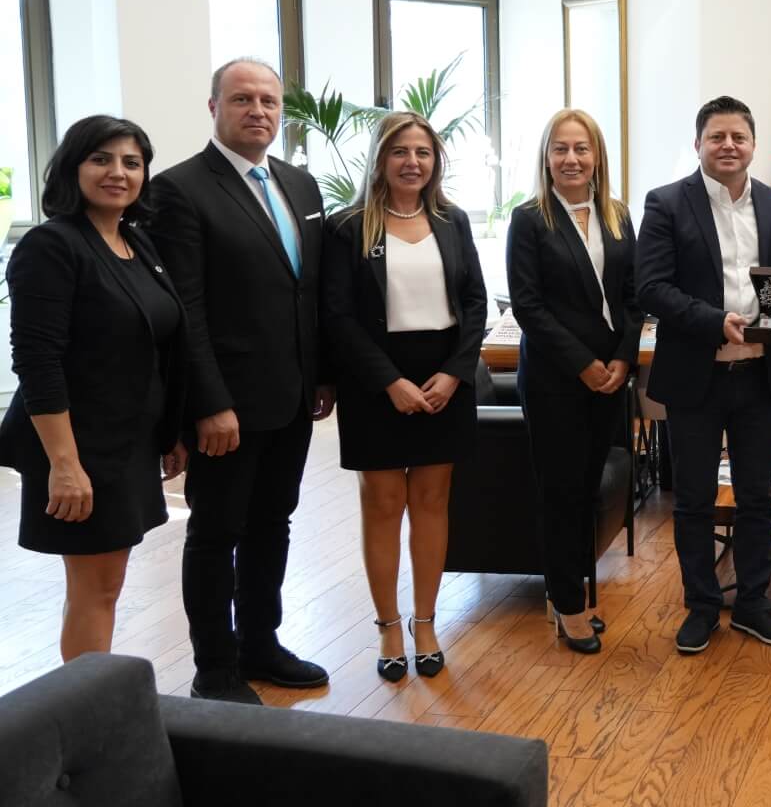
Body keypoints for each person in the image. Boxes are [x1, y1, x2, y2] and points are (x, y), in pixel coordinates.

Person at [151, 59, 333, 704]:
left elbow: (309, 292)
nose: (258, 111)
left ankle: (261, 642)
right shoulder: (178, 190)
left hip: (293, 396)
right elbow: (187, 310)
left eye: (268, 101)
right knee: (215, 533)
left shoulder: (300, 185)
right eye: (242, 99)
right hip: (226, 406)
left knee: (273, 523)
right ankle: (215, 666)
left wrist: (322, 375)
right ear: (214, 108)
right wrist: (209, 403)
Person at [2, 116, 188, 661]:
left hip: (127, 442)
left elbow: (156, 346)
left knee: (106, 585)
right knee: (96, 590)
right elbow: (37, 362)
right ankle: (89, 707)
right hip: (81, 448)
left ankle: (91, 700)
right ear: (72, 168)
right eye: (101, 159)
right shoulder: (50, 246)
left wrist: (169, 433)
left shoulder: (135, 242)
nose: (118, 173)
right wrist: (65, 464)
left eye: (132, 163)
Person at [636, 96, 771, 655]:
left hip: (759, 377)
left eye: (738, 137)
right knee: (694, 500)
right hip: (696, 378)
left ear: (753, 145)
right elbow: (651, 288)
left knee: (758, 498)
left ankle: (753, 604)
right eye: (717, 137)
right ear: (698, 144)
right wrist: (714, 321)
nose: (728, 146)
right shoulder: (666, 203)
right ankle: (702, 606)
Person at [322, 112, 487, 681]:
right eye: (400, 152)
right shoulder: (348, 227)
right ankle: (389, 626)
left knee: (433, 502)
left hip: (444, 375)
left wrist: (455, 373)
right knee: (383, 504)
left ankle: (426, 622)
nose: (412, 162)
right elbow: (337, 316)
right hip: (376, 379)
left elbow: (474, 302)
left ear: (435, 161)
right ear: (380, 159)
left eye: (422, 152)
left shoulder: (453, 220)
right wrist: (388, 382)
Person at [507, 108, 641, 655]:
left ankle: (576, 593)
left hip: (611, 377)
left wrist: (623, 360)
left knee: (588, 490)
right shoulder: (529, 219)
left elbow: (632, 297)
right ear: (546, 157)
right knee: (560, 493)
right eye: (560, 148)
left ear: (597, 156)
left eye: (581, 148)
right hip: (555, 380)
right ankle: (567, 605)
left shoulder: (617, 215)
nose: (571, 159)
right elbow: (528, 307)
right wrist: (584, 364)